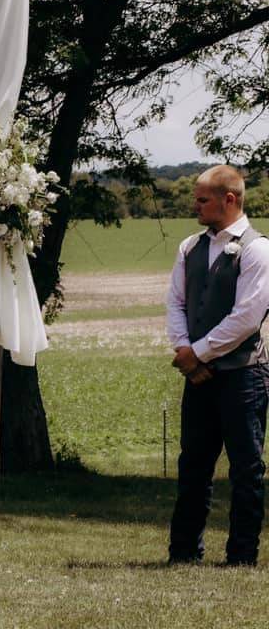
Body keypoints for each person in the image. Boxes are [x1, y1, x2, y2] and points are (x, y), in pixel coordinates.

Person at [166, 165, 269, 567]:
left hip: (245, 375)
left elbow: (246, 317)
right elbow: (175, 303)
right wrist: (185, 354)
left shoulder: (258, 250)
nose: (195, 204)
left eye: (202, 199)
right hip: (199, 376)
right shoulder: (190, 246)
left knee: (246, 468)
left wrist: (199, 353)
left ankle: (242, 555)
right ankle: (184, 552)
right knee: (193, 464)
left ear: (230, 199)